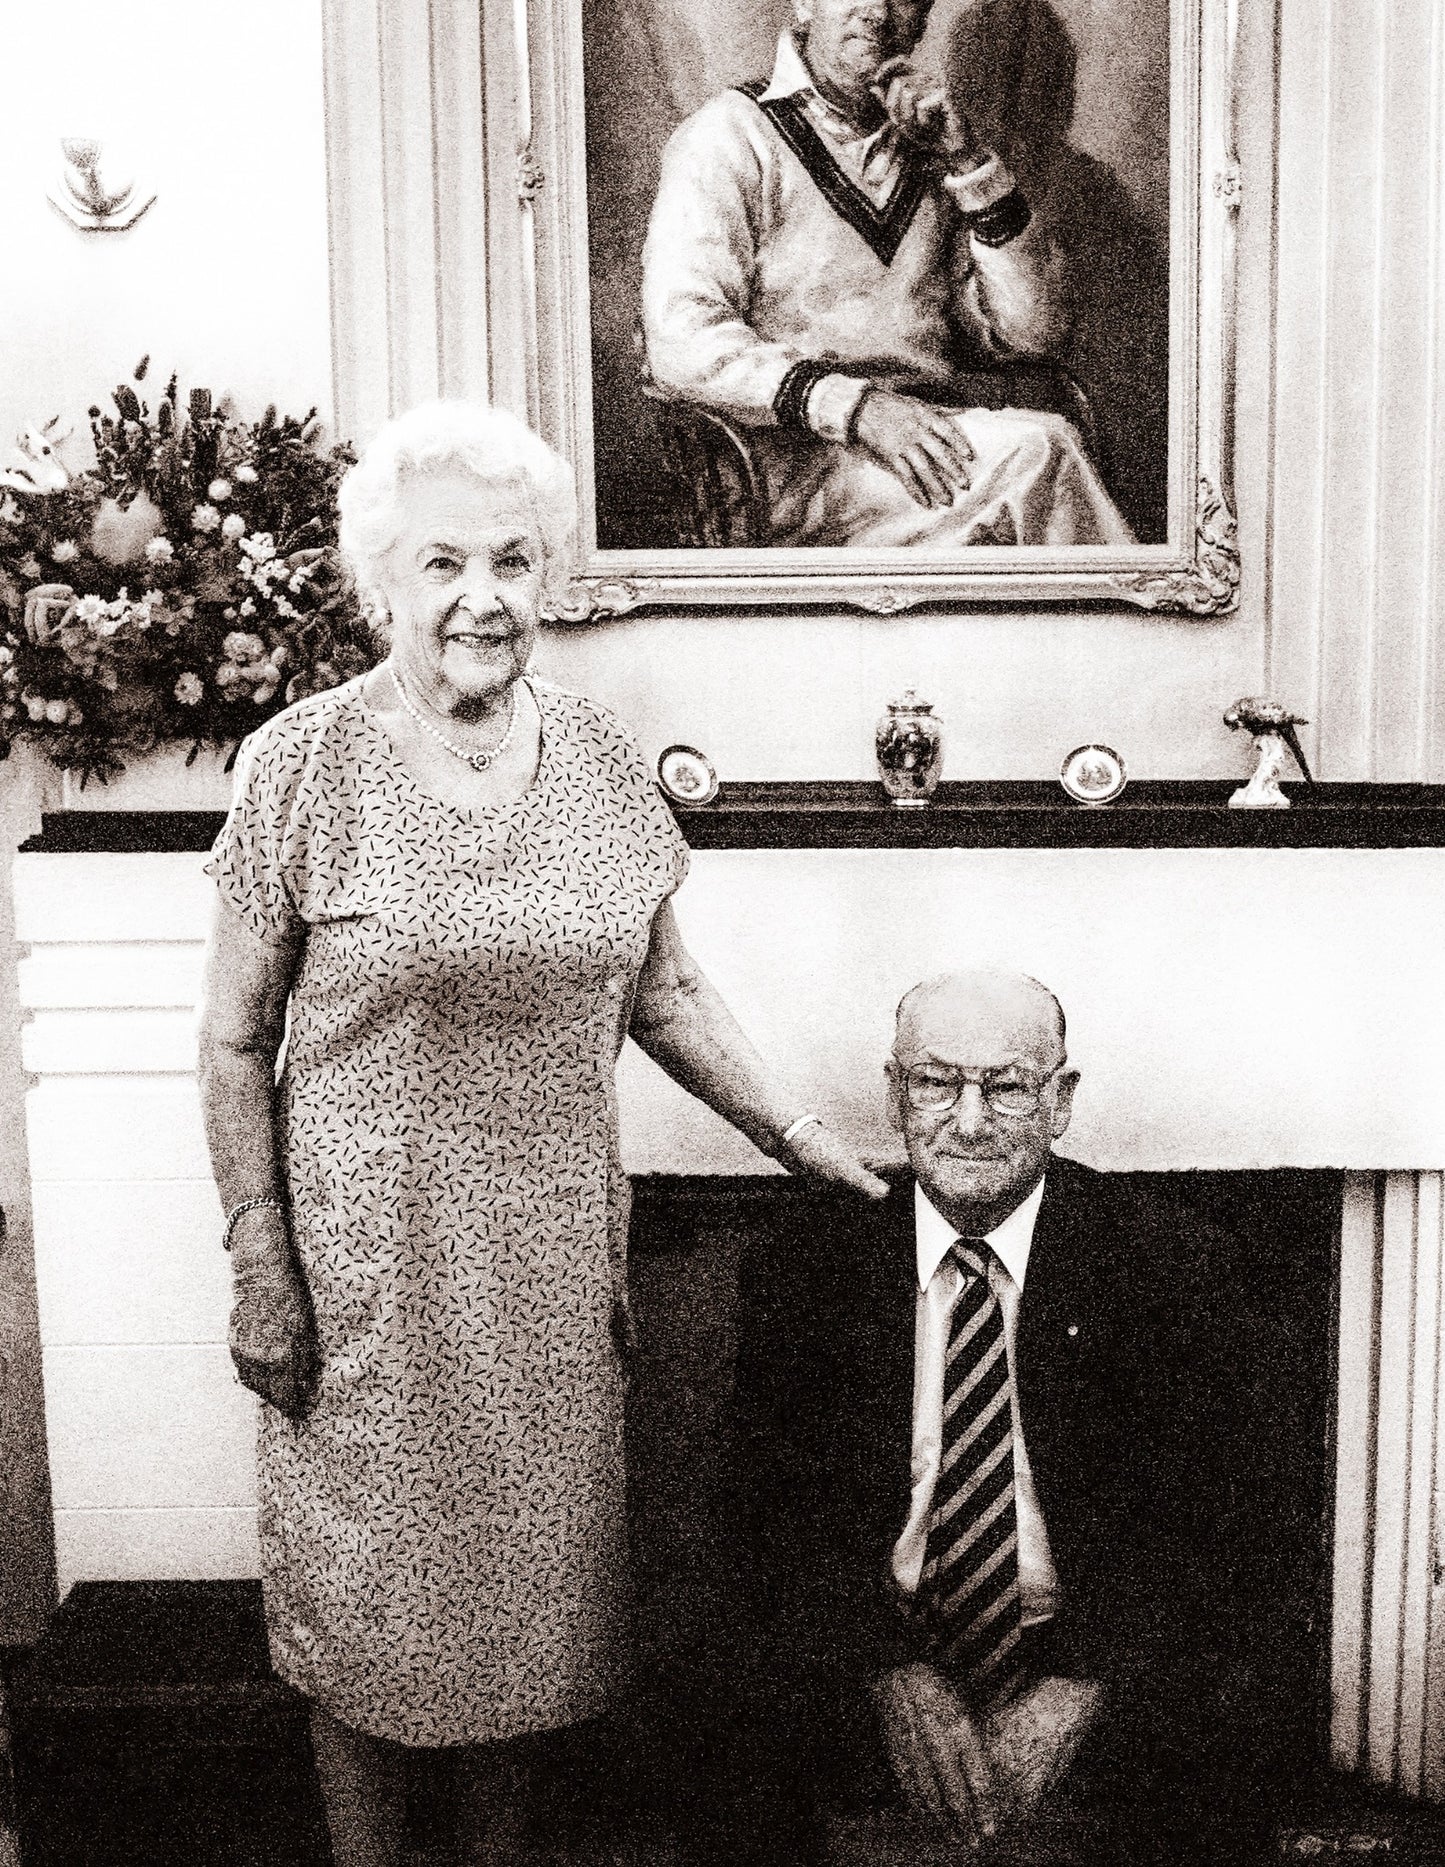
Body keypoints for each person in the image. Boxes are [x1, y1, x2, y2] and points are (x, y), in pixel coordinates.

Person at [195, 399, 886, 1867]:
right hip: (363, 1271)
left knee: (530, 1613)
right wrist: (260, 1257)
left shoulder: (595, 756)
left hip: (548, 1266)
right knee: (371, 1603)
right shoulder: (299, 764)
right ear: (380, 580)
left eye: (512, 559)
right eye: (442, 561)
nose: (482, 597)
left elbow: (668, 988)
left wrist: (797, 1129)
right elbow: (235, 1035)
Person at [719, 970, 1279, 1863]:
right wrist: (887, 1671)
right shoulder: (809, 1266)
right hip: (870, 1646)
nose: (969, 1119)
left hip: (1095, 1653)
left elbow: (1217, 1523)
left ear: (1060, 1101)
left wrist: (1080, 1683)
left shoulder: (1171, 1262)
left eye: (1006, 1086)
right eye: (937, 1082)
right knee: (728, 1725)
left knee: (1216, 1737)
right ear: (895, 1092)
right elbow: (768, 1518)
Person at [639, 0, 1134, 549]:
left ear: (923, 17)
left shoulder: (930, 143)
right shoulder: (726, 136)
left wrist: (969, 166)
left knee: (1043, 446)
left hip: (927, 439)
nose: (878, 11)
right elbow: (681, 336)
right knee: (1041, 452)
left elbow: (1032, 334)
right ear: (804, 4)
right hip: (784, 466)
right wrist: (856, 408)